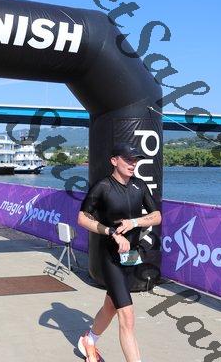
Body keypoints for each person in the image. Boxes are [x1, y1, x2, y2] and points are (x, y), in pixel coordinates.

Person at [76, 143, 162, 362]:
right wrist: (111, 232)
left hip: (130, 257)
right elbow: (83, 218)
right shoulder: (103, 187)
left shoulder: (139, 185)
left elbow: (156, 216)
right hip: (110, 257)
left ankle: (89, 340)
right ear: (114, 161)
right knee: (127, 316)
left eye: (135, 160)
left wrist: (134, 222)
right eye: (128, 160)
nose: (133, 164)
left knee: (111, 307)